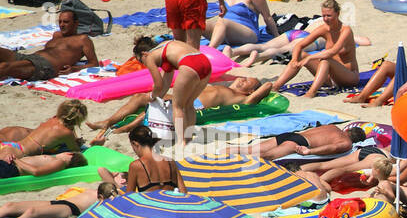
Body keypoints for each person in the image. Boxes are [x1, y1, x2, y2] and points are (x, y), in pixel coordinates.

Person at [89, 75, 276, 145]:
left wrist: (258, 86)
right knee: (141, 97)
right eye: (243, 77)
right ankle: (109, 122)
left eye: (247, 82)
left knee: (150, 106)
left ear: (251, 90)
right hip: (186, 97)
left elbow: (267, 84)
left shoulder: (243, 98)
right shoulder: (225, 86)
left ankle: (121, 128)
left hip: (193, 105)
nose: (242, 79)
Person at [268, 0, 359, 98]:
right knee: (300, 55)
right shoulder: (324, 28)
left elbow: (332, 52)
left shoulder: (346, 30)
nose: (326, 19)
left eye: (329, 16)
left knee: (325, 60)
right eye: (324, 16)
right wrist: (294, 59)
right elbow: (300, 45)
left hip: (348, 77)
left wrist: (310, 58)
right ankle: (275, 87)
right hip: (329, 77)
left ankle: (311, 93)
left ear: (337, 14)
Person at [140, 37, 213, 156]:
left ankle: (181, 142)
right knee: (189, 104)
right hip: (204, 62)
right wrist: (158, 97)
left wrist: (152, 96)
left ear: (144, 53)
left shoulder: (149, 57)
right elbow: (166, 81)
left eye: (141, 61)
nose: (144, 64)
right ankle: (188, 138)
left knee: (177, 105)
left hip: (190, 64)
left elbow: (158, 84)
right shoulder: (166, 47)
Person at [0, 8, 98, 82]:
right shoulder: (57, 35)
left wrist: (73, 69)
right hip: (31, 58)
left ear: (76, 23)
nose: (62, 25)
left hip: (45, 66)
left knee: (4, 67)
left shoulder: (82, 39)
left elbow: (94, 63)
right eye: (60, 21)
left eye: (66, 22)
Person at [0, 99, 86, 160]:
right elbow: (76, 150)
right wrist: (79, 143)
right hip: (19, 153)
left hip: (12, 145)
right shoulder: (66, 133)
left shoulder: (53, 119)